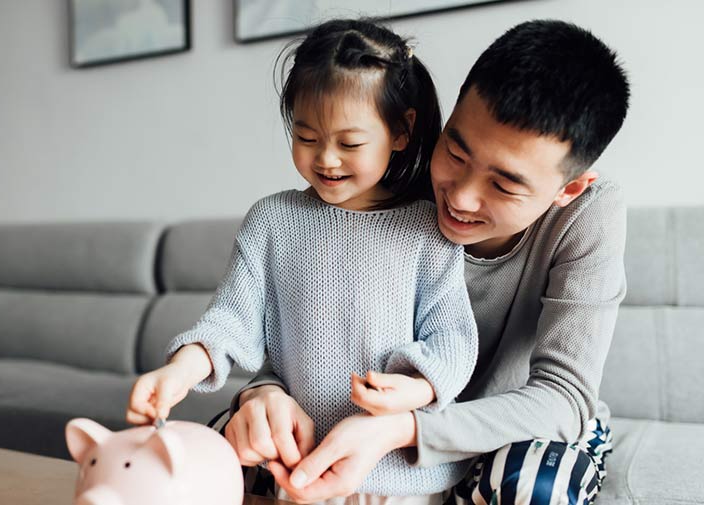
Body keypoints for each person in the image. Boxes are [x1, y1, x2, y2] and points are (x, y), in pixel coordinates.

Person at [228, 19, 630, 505]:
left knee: (529, 486)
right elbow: (296, 334)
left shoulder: (590, 214)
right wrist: (262, 393)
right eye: (456, 152)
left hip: (506, 425)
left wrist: (407, 430)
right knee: (223, 450)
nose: (459, 196)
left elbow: (563, 396)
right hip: (372, 425)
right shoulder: (386, 179)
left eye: (503, 185)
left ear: (568, 188)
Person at [126, 19, 480, 504]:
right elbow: (231, 320)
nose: (326, 160)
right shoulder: (273, 221)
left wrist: (416, 391)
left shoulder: (426, 231)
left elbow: (453, 338)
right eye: (306, 137)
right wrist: (179, 372)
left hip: (401, 480)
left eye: (350, 143)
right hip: (298, 471)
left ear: (401, 131)